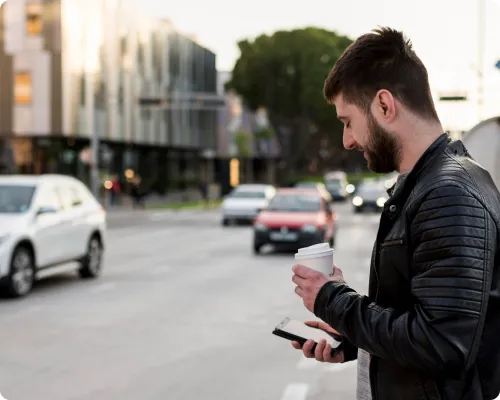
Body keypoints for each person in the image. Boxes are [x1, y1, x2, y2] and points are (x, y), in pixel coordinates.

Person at [291, 27, 500, 400]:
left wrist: (332, 300)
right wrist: (352, 337)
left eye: (347, 122)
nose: (347, 140)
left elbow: (442, 345)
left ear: (384, 106)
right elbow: (425, 320)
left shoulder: (447, 193)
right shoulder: (430, 185)